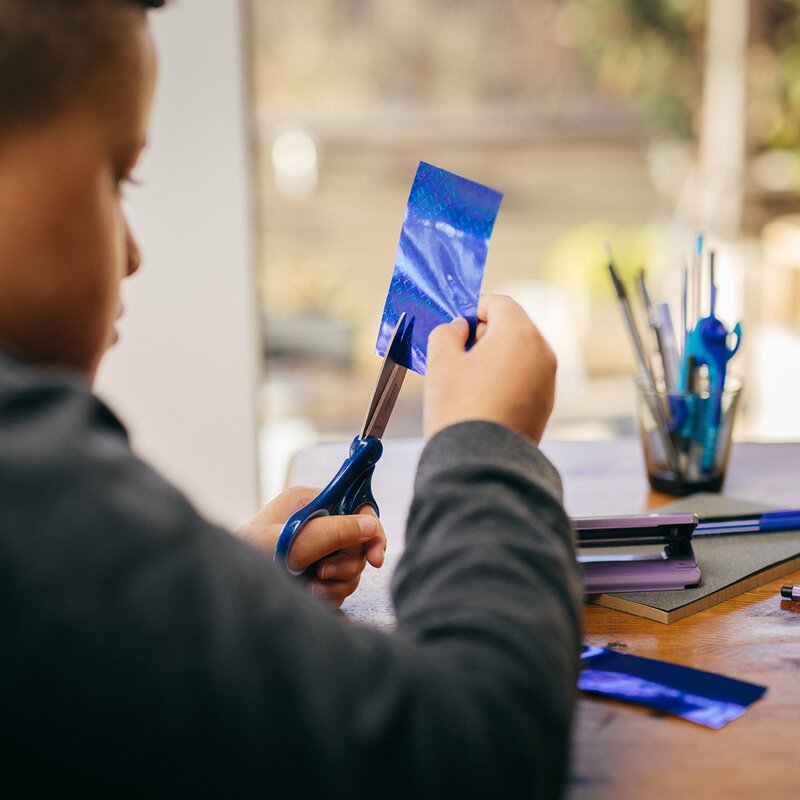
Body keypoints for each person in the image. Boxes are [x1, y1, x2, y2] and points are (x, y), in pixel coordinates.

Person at [0, 1, 582, 797]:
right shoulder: (31, 497)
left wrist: (222, 589)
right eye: (117, 175)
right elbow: (479, 747)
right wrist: (489, 450)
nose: (132, 253)